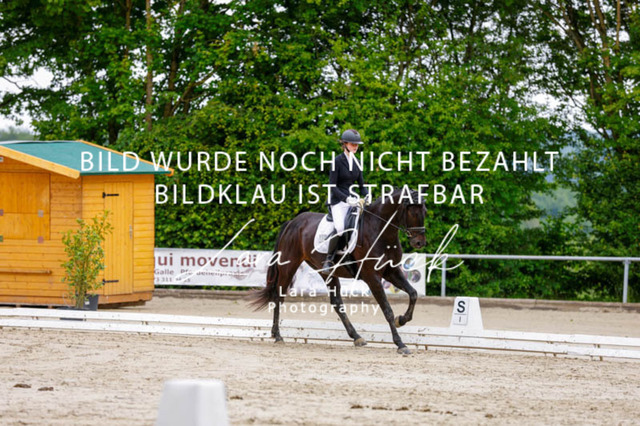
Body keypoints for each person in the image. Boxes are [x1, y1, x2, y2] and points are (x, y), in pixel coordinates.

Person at [323, 129, 370, 270]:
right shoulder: (336, 162)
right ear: (345, 144)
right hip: (338, 201)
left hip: (353, 200)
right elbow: (332, 186)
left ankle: (354, 256)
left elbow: (361, 185)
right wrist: (346, 199)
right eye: (352, 144)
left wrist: (367, 195)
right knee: (340, 228)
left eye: (357, 144)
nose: (356, 146)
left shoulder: (357, 162)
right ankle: (329, 259)